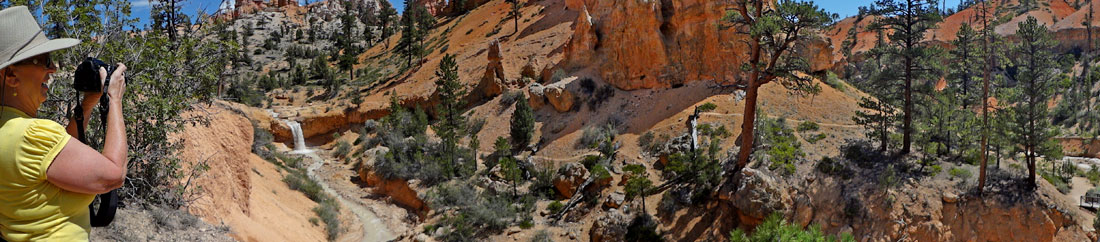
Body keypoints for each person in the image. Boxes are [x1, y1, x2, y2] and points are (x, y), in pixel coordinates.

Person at [0, 6, 128, 241]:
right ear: (11, 77)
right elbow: (114, 175)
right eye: (43, 60)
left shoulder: (9, 130)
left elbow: (59, 156)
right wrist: (114, 98)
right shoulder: (32, 134)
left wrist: (88, 104)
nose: (53, 68)